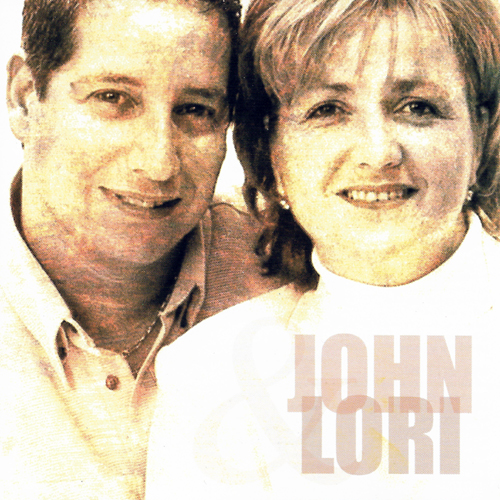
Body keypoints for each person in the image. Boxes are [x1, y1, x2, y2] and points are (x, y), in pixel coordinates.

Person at [146, 0, 500, 498]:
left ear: (481, 134)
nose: (378, 152)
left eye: (417, 107)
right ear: (268, 155)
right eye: (327, 110)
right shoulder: (211, 373)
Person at [0, 0, 283, 497]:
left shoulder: (293, 267)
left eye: (195, 110)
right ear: (25, 98)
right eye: (113, 98)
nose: (158, 163)